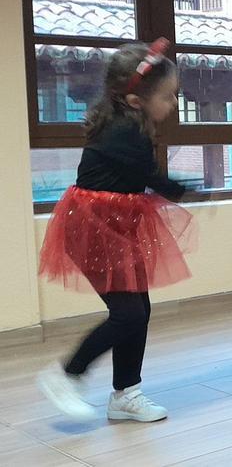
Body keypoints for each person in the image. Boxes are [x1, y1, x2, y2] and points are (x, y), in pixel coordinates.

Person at [37, 38, 197, 424]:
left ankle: (126, 393)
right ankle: (67, 374)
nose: (173, 104)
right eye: (167, 96)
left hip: (117, 224)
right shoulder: (125, 133)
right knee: (127, 314)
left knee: (137, 311)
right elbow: (150, 177)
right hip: (94, 228)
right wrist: (185, 190)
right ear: (136, 100)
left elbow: (139, 179)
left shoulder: (128, 123)